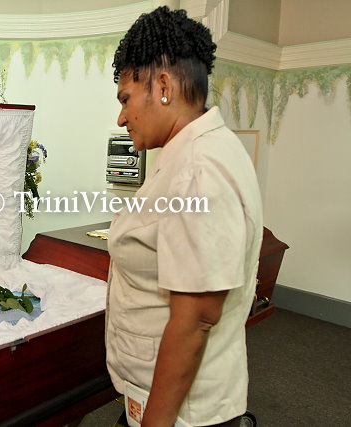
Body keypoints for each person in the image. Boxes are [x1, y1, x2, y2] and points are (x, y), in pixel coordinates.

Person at [105, 6, 263, 427]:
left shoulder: (197, 168)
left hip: (183, 414)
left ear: (163, 86)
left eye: (125, 99)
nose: (121, 117)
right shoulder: (190, 153)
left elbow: (196, 319)